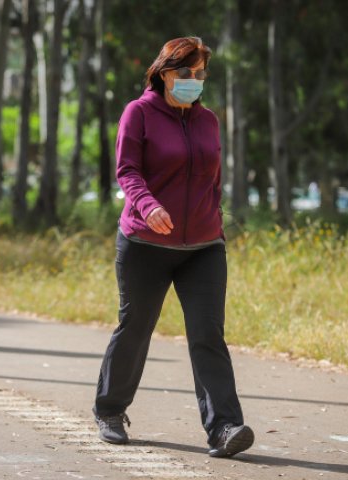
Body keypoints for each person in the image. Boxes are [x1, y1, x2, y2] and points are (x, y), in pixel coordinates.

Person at [92, 37, 254, 458]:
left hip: (203, 247)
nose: (193, 80)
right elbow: (127, 170)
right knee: (136, 327)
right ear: (164, 73)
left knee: (208, 334)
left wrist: (214, 219)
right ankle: (110, 410)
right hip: (144, 242)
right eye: (185, 72)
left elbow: (213, 179)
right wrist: (148, 206)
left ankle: (224, 427)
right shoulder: (139, 113)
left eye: (200, 73)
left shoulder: (208, 121)